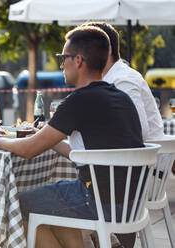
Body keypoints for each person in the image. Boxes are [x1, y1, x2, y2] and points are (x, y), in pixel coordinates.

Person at [0, 26, 144, 248]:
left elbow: (28, 150)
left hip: (97, 201)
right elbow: (89, 155)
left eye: (62, 58)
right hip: (131, 203)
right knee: (54, 202)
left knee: (15, 206)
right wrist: (45, 136)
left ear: (77, 60)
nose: (60, 65)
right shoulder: (120, 97)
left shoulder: (79, 100)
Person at [83, 22, 164, 248]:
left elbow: (138, 131)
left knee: (73, 184)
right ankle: (102, 237)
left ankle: (108, 238)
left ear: (105, 50)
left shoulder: (123, 80)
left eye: (85, 49)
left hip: (140, 174)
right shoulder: (108, 78)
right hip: (130, 168)